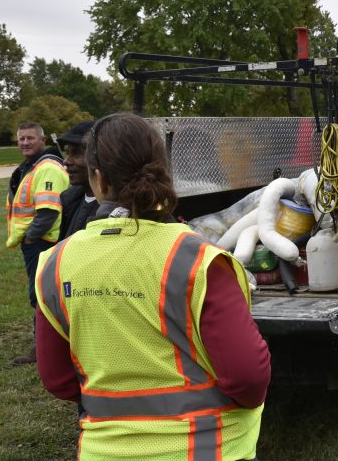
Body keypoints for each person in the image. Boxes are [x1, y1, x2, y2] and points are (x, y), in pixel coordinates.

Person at [34, 113, 270, 460]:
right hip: (205, 449)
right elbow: (248, 379)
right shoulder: (199, 260)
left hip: (105, 452)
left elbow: (58, 379)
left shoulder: (54, 264)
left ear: (97, 179)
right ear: (163, 169)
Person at [5, 121, 69, 365]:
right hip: (37, 241)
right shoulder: (33, 166)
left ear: (42, 140)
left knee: (41, 295)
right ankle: (47, 346)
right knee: (42, 294)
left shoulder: (48, 167)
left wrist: (32, 236)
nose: (24, 143)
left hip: (43, 242)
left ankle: (44, 351)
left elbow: (48, 212)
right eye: (21, 138)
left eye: (30, 138)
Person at [58, 120, 98, 240]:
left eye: (76, 153)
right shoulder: (70, 199)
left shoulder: (116, 210)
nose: (66, 161)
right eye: (67, 153)